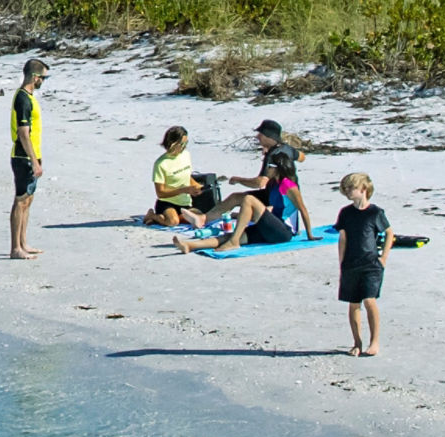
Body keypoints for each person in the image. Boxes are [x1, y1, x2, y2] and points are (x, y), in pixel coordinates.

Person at [187, 119, 319, 244]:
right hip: (282, 194)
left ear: (269, 136)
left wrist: (238, 180)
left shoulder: (273, 156)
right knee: (237, 198)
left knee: (239, 199)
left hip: (275, 194)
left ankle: (204, 219)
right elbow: (302, 157)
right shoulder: (287, 149)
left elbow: (260, 183)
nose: (257, 137)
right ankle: (213, 217)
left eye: (260, 134)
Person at [336, 172, 393, 356]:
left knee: (369, 300)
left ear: (363, 189)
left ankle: (374, 342)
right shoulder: (345, 213)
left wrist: (383, 258)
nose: (348, 192)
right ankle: (357, 343)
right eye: (345, 189)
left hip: (371, 264)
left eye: (351, 188)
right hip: (350, 264)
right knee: (353, 304)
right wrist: (341, 262)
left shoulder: (375, 212)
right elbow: (342, 238)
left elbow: (389, 233)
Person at [10, 59, 49, 259]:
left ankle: (23, 242)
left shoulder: (30, 97)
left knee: (29, 199)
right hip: (23, 156)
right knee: (21, 200)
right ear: (35, 77)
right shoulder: (23, 98)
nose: (44, 81)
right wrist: (33, 161)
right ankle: (15, 247)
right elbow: (23, 133)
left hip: (33, 155)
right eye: (43, 77)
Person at [143, 126, 202, 226]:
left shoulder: (186, 155)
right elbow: (160, 193)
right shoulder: (161, 163)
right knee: (172, 222)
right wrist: (183, 190)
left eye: (186, 143)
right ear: (172, 143)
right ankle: (152, 215)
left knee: (201, 217)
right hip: (167, 202)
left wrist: (196, 186)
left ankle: (164, 218)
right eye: (182, 144)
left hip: (185, 202)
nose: (184, 147)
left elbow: (187, 176)